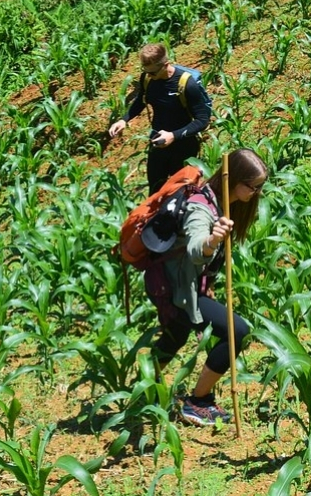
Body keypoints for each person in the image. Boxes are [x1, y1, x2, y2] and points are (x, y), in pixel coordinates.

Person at [144, 149, 267, 426]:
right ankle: (198, 401)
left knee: (176, 335)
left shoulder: (222, 202)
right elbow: (196, 248)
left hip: (181, 285)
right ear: (234, 178)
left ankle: (145, 388)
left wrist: (206, 281)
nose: (256, 193)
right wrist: (212, 240)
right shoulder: (201, 207)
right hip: (175, 289)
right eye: (253, 186)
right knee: (237, 332)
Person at [109, 43, 213, 193]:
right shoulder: (147, 78)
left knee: (183, 193)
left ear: (166, 65)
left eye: (153, 73)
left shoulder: (186, 84)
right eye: (146, 71)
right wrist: (124, 119)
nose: (149, 76)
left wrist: (173, 135)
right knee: (156, 191)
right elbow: (140, 100)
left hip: (183, 146)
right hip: (158, 142)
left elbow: (202, 120)